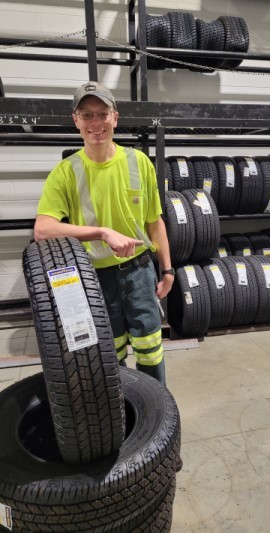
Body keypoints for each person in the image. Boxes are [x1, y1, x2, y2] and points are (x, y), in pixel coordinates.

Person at [34, 81, 175, 385]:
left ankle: (158, 415)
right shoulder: (66, 172)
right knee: (110, 356)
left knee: (151, 349)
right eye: (87, 116)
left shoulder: (139, 162)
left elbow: (155, 221)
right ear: (76, 121)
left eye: (102, 114)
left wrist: (167, 269)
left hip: (139, 273)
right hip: (95, 279)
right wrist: (101, 232)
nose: (95, 124)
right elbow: (43, 229)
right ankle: (120, 416)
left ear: (115, 117)